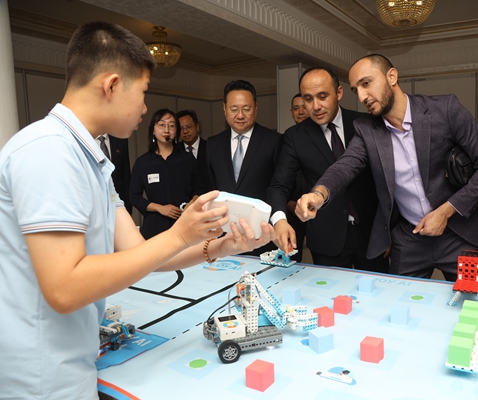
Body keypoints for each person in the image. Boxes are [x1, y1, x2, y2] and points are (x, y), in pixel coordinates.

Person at [0, 21, 275, 400]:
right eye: (143, 92)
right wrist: (179, 234)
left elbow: (142, 255)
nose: (146, 108)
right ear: (112, 85)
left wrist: (223, 246)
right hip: (41, 374)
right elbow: (64, 288)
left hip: (70, 362)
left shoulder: (91, 159)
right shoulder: (49, 150)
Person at [296, 54, 478, 280]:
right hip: (410, 239)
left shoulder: (445, 109)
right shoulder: (367, 129)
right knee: (397, 299)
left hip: (460, 234)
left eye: (367, 83)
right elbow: (344, 166)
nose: (363, 96)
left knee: (470, 298)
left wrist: (446, 211)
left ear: (392, 76)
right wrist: (318, 194)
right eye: (356, 90)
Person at [268, 67, 387, 272]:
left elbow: (387, 179)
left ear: (339, 92)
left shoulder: (365, 123)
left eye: (322, 97)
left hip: (372, 235)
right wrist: (279, 220)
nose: (315, 106)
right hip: (326, 237)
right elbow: (278, 185)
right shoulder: (295, 137)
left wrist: (389, 232)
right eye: (308, 99)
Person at [206, 79, 281, 256]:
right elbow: (210, 186)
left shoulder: (274, 141)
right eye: (234, 109)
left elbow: (279, 186)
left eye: (246, 109)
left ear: (256, 108)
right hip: (223, 234)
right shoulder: (212, 144)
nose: (240, 115)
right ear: (224, 109)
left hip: (260, 234)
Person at [130, 109, 204, 239]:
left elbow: (200, 189)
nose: (166, 130)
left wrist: (192, 203)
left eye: (171, 125)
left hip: (185, 222)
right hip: (154, 226)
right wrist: (160, 208)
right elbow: (134, 196)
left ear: (176, 131)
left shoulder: (187, 159)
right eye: (161, 125)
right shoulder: (143, 162)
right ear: (153, 130)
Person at [284, 93, 308, 261]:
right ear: (291, 112)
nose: (300, 112)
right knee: (294, 254)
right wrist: (288, 202)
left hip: (319, 207)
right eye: (296, 108)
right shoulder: (286, 138)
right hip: (292, 209)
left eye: (304, 107)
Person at [176, 109, 211, 194]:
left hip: (209, 197)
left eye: (189, 126)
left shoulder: (210, 147)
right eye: (180, 128)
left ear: (197, 127)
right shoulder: (175, 151)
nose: (185, 131)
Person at [96, 133, 133, 213]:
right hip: (94, 201)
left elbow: (126, 174)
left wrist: (128, 207)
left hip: (118, 200)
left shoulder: (120, 140)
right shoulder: (85, 140)